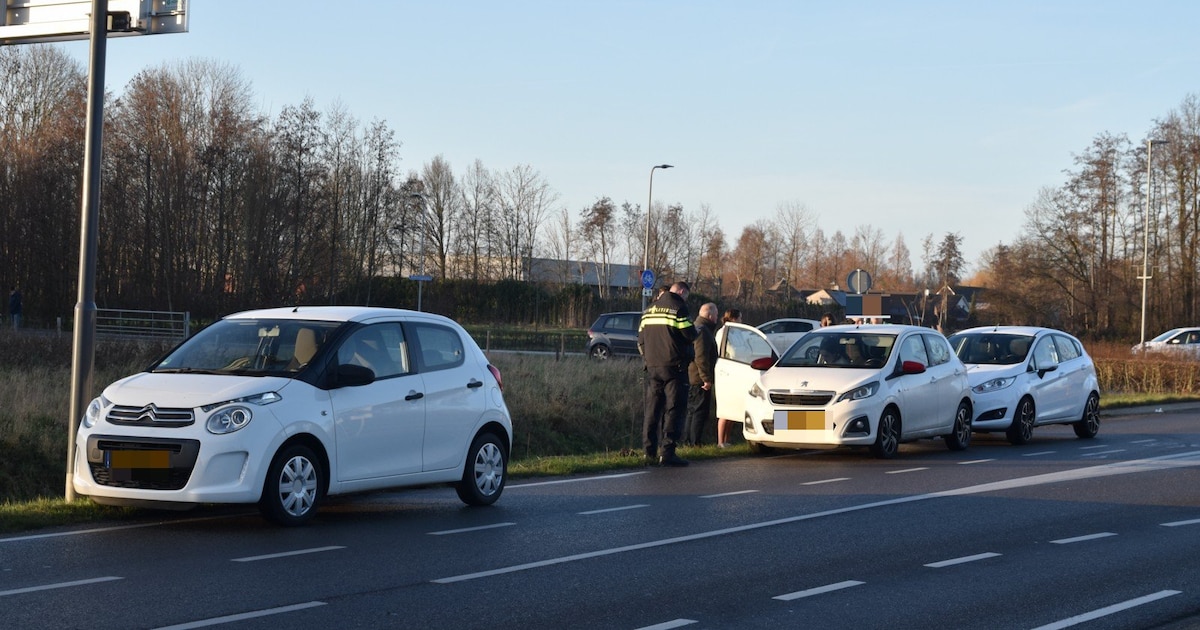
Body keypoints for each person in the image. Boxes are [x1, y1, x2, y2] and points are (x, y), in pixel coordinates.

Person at [639, 281, 697, 467]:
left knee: (652, 410)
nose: (685, 298)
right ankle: (668, 453)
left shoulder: (649, 310)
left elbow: (640, 339)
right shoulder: (678, 308)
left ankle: (648, 452)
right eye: (686, 295)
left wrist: (648, 359)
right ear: (681, 291)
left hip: (653, 367)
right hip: (674, 367)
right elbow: (690, 334)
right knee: (674, 410)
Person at [685, 302, 718, 447]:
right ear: (710, 315)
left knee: (692, 410)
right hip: (698, 378)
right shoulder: (703, 331)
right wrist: (706, 378)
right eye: (716, 315)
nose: (717, 317)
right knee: (698, 411)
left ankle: (688, 440)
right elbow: (701, 356)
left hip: (694, 376)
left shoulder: (697, 327)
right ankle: (694, 441)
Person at [713, 308, 742, 448]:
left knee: (732, 410)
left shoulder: (737, 333)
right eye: (740, 318)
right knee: (725, 409)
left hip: (737, 373)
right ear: (734, 319)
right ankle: (720, 441)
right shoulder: (723, 332)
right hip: (726, 373)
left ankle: (727, 439)